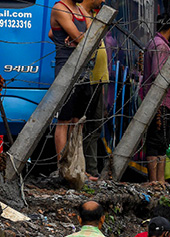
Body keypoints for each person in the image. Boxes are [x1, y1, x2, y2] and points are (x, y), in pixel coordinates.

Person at [49, 0, 93, 168]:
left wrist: (77, 38)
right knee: (64, 120)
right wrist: (77, 39)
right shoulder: (60, 8)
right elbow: (85, 39)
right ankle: (64, 167)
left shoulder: (80, 9)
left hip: (83, 70)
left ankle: (77, 167)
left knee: (78, 120)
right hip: (66, 69)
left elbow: (92, 34)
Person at [141, 16, 170, 183]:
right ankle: (155, 181)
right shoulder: (161, 46)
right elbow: (159, 74)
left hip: (158, 100)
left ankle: (159, 180)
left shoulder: (155, 43)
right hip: (160, 101)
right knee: (156, 140)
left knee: (161, 142)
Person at [80, 0, 109, 180]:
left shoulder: (95, 15)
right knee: (87, 127)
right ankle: (89, 169)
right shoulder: (80, 14)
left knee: (96, 127)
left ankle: (91, 168)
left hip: (99, 79)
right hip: (88, 80)